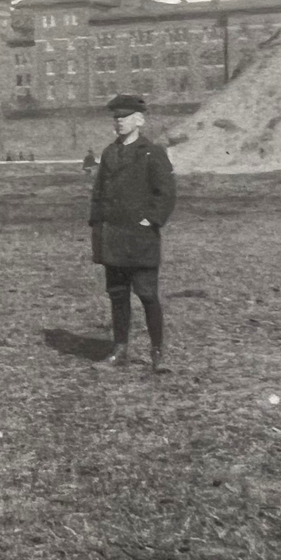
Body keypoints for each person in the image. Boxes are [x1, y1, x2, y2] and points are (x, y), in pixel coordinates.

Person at [88, 94, 177, 370]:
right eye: (116, 118)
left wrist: (151, 221)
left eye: (125, 117)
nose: (119, 123)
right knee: (117, 296)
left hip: (139, 240)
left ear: (139, 120)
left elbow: (166, 193)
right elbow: (99, 192)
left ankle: (157, 353)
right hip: (113, 238)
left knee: (147, 295)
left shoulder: (152, 152)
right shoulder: (109, 153)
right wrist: (97, 224)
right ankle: (120, 351)